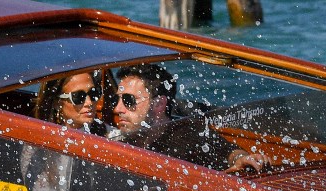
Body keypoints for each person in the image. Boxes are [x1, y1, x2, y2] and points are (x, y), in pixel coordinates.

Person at [110, 64, 272, 172]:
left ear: (159, 104)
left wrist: (241, 158)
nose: (117, 109)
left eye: (128, 101)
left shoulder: (190, 134)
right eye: (116, 99)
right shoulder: (122, 139)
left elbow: (228, 152)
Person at [21, 72, 105, 191]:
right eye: (78, 97)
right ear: (57, 102)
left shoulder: (107, 136)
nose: (89, 102)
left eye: (94, 93)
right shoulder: (37, 143)